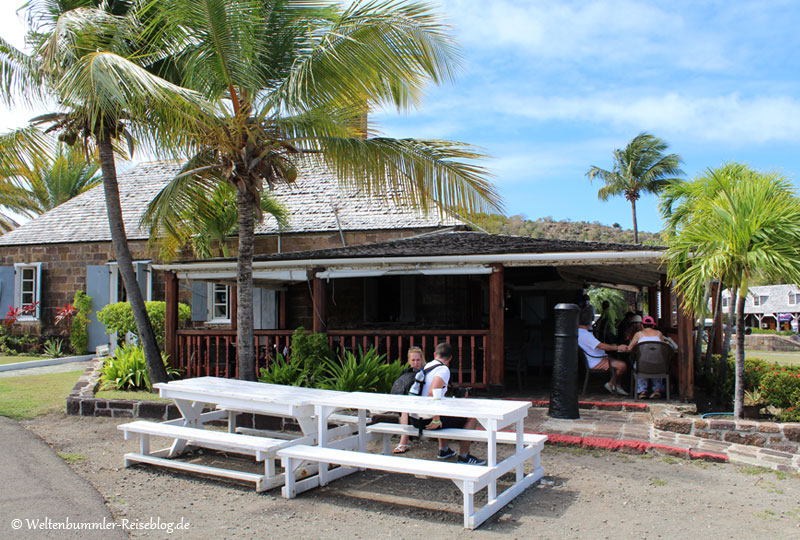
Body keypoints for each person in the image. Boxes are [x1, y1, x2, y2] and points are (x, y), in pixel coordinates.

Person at [418, 342, 486, 465]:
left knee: (444, 412)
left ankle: (444, 450)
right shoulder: (443, 369)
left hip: (417, 417)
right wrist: (436, 419)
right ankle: (464, 457)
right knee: (471, 418)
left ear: (435, 354)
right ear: (450, 358)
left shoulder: (427, 366)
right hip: (428, 420)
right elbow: (431, 393)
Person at [578, 306, 628, 395]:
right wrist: (617, 347)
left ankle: (617, 385)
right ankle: (611, 384)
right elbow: (601, 346)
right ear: (588, 321)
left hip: (598, 358)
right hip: (597, 361)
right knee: (622, 365)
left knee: (616, 359)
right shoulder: (585, 335)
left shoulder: (579, 332)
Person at [628, 315, 673, 399]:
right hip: (659, 365)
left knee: (638, 365)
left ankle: (642, 391)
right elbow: (663, 349)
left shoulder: (638, 334)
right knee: (658, 364)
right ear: (653, 325)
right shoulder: (659, 334)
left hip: (642, 365)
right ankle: (657, 389)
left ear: (642, 325)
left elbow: (630, 348)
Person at [392, 346, 424, 454]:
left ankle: (403, 442)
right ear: (409, 361)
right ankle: (403, 442)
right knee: (404, 407)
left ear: (422, 359)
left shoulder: (425, 373)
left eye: (418, 360)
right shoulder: (405, 372)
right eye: (413, 360)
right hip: (407, 403)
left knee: (405, 408)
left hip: (422, 404)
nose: (416, 362)